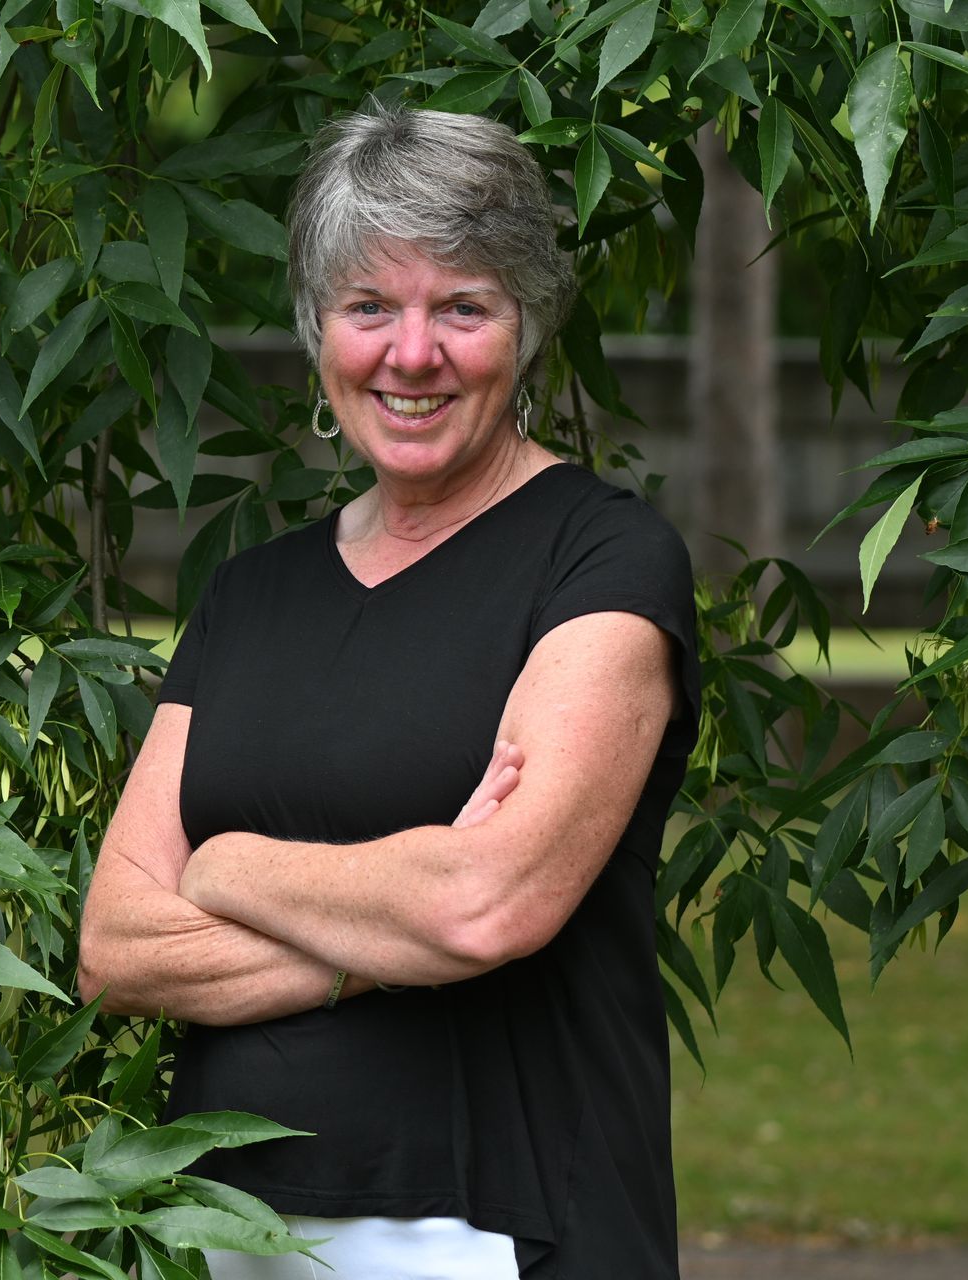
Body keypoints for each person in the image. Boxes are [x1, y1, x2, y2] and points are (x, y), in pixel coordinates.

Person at [78, 106, 700, 1279]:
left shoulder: (602, 563)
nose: (411, 355)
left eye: (462, 307)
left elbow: (485, 907)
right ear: (319, 331)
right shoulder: (250, 592)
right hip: (235, 1228)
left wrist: (229, 868)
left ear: (525, 327)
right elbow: (116, 944)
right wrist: (388, 929)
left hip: (507, 1223)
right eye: (370, 307)